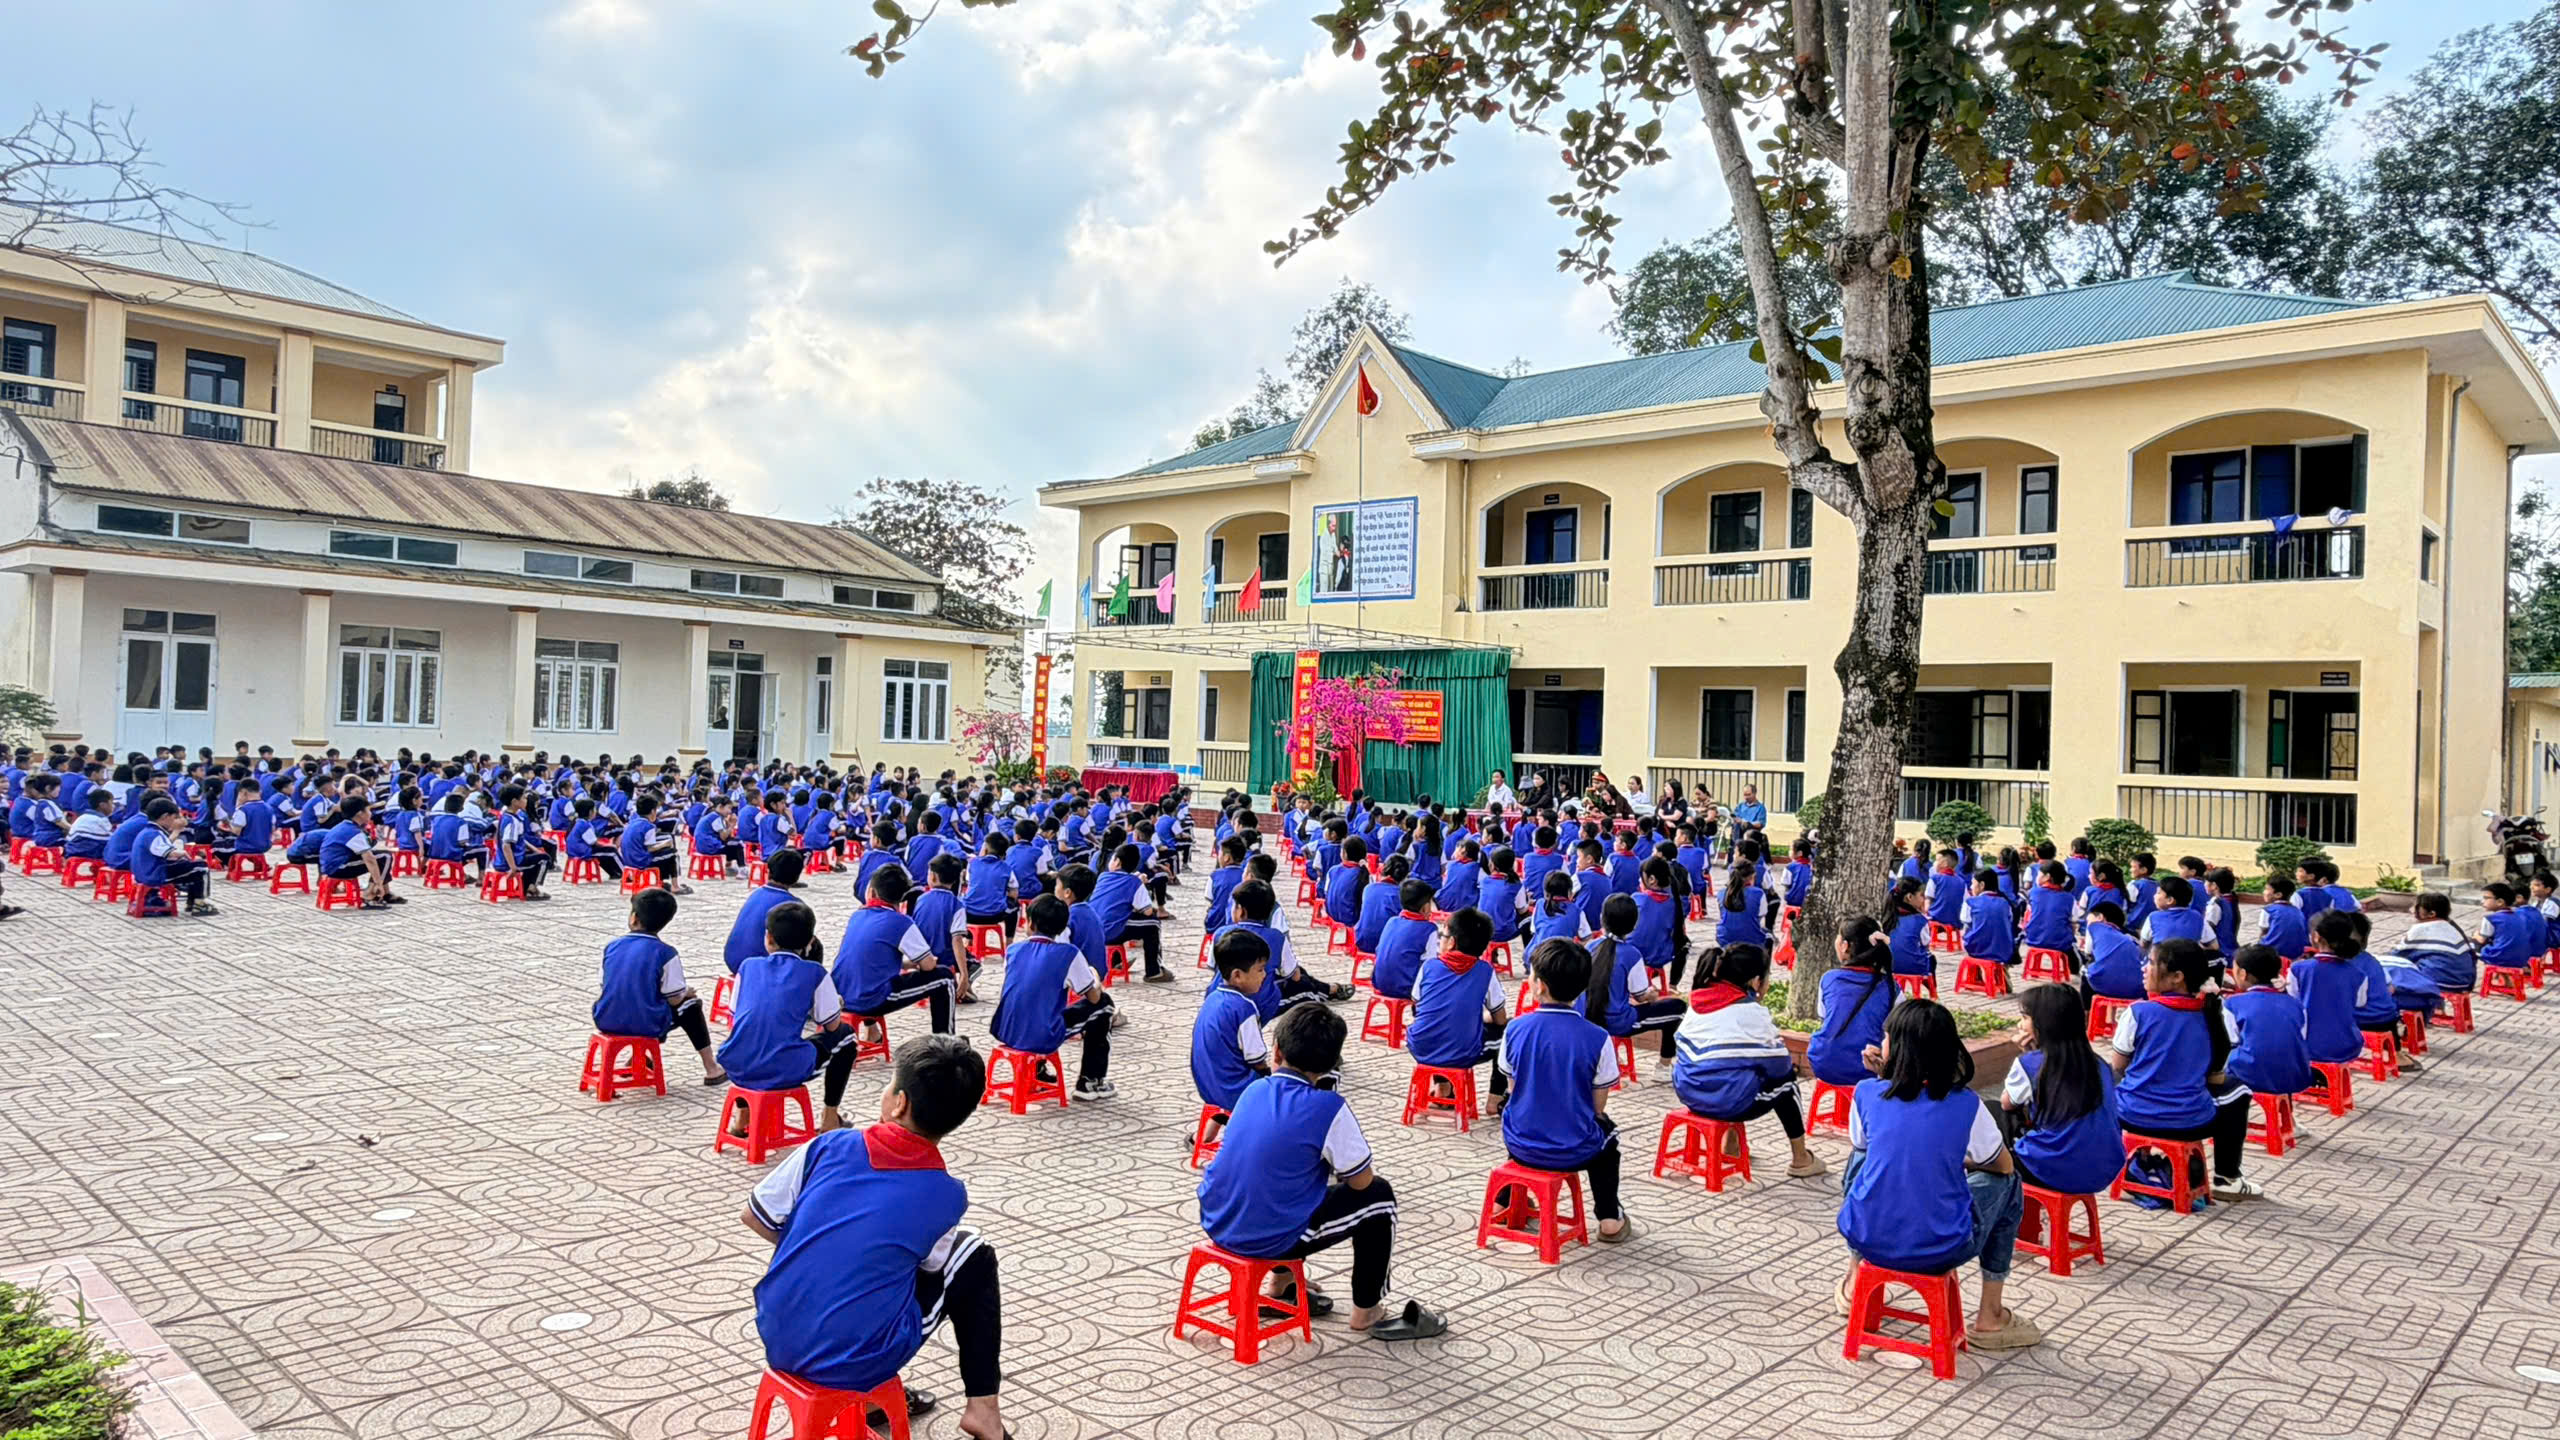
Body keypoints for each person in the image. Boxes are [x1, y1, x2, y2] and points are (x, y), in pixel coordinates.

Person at [745, 1034, 1005, 1440]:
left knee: (876, 1268)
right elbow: (930, 1270)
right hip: (856, 1358)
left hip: (778, 1333)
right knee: (975, 1254)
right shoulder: (946, 1194)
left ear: (899, 1102)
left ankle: (864, 1394)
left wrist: (826, 1252)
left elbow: (754, 1214)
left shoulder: (828, 1145)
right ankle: (983, 1411)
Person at [1196, 1005, 1446, 1341]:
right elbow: (1361, 1181)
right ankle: (1367, 1310)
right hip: (1267, 1236)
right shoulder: (1328, 1107)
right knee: (1379, 1198)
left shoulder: (1253, 1090)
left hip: (1218, 1219)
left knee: (1286, 1186)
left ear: (1277, 1052)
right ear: (1331, 1066)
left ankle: (1282, 1284)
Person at [1837, 998, 2038, 1350]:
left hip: (1868, 1237)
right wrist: (1961, 1162)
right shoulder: (1966, 1104)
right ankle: (1991, 1314)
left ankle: (1855, 1279)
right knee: (2009, 1183)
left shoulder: (1866, 1093)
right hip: (1940, 1247)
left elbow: (1870, 1147)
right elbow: (2004, 1166)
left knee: (1863, 1159)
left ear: (1896, 1048)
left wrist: (1883, 1080)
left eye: (1886, 1037)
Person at [1500, 937, 1630, 1240]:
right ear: (1582, 987)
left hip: (1521, 1143)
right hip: (1574, 1149)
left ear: (1539, 985)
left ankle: (1504, 1200)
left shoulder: (1515, 1029)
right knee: (1608, 1139)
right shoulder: (1598, 1038)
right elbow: (1598, 1108)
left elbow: (1514, 1090)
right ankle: (1609, 1218)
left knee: (1519, 1114)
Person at [2109, 939, 2259, 1202]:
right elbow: (2216, 1077)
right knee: (2238, 1090)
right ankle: (2227, 1177)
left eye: (2151, 963)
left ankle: (2127, 1158)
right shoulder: (2215, 1015)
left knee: (2110, 1078)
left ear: (2177, 977)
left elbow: (2119, 1065)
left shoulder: (2137, 1012)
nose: (2144, 968)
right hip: (2191, 1122)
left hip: (2131, 1115)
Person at [1673, 943, 1827, 1179]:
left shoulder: (1698, 1000)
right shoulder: (1750, 1012)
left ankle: (1731, 1145)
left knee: (1739, 1071)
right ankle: (1801, 1158)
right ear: (1756, 981)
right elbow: (1780, 1067)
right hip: (1723, 1101)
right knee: (1786, 1083)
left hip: (1689, 1092)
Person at [1996, 985, 2122, 1198]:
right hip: (2103, 1170)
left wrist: (2027, 1055)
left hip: (2055, 1169)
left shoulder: (2029, 1064)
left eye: (2025, 1018)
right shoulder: (2100, 1064)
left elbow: (2007, 1103)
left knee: (1993, 1113)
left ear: (2045, 1024)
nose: (2020, 1024)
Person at [593, 886, 726, 1085]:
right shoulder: (665, 953)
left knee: (645, 1003)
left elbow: (605, 984)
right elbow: (674, 998)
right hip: (646, 1023)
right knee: (691, 1006)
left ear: (634, 918)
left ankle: (638, 1057)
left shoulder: (612, 947)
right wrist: (686, 993)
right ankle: (711, 1068)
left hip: (605, 1018)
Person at [991, 894, 1115, 1100]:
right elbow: (1093, 998)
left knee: (1039, 1006)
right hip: (1040, 1035)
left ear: (1030, 923)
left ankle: (1036, 1070)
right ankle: (1090, 1081)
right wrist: (1094, 976)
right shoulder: (1069, 954)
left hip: (1005, 1029)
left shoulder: (1013, 951)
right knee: (1104, 1005)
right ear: (1063, 927)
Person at [1408, 907, 1510, 1105]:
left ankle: (1443, 1088)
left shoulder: (1429, 967)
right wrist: (1481, 1017)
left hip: (1420, 1046)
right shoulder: (1485, 971)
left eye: (1443, 936)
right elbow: (1500, 1019)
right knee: (1508, 1034)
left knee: (1441, 1024)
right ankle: (1495, 1098)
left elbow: (1417, 1007)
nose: (1440, 940)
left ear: (1452, 942)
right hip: (1462, 1052)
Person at [1807, 917, 1897, 1091]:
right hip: (1869, 1068)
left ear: (1845, 946)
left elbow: (1824, 1017)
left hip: (1824, 1063)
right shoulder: (1892, 988)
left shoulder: (1829, 979)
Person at [1193, 929, 1274, 1119]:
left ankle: (1206, 1133)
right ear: (1237, 975)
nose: (1264, 975)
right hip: (1235, 1091)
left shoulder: (1212, 998)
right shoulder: (1244, 1009)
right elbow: (1257, 1060)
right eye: (1260, 969)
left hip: (1208, 1088)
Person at [2222, 944, 2315, 1103]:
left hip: (2252, 1077)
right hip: (2296, 1077)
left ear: (2242, 974)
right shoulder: (2295, 1004)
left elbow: (2227, 1041)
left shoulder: (2233, 1004)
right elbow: (2301, 1037)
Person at [132, 797, 217, 915]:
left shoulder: (148, 831)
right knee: (201, 868)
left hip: (147, 872)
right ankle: (200, 904)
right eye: (174, 817)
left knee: (190, 867)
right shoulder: (153, 834)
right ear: (165, 817)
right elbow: (169, 853)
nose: (175, 821)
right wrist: (182, 853)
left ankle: (192, 902)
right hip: (154, 874)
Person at [319, 795, 399, 908]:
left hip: (332, 865)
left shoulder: (345, 826)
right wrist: (378, 882)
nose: (370, 813)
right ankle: (369, 895)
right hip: (338, 867)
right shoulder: (352, 831)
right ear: (360, 813)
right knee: (385, 857)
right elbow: (369, 859)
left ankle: (383, 893)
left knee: (381, 856)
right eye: (368, 810)